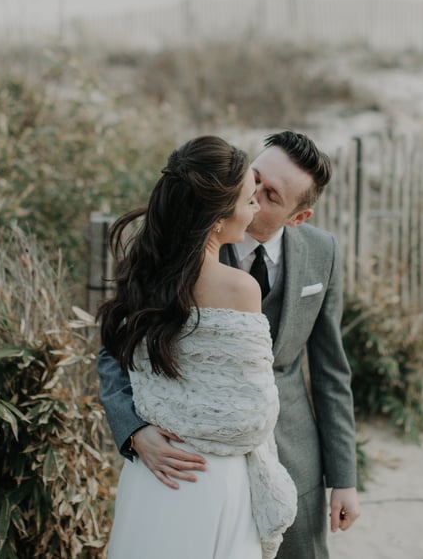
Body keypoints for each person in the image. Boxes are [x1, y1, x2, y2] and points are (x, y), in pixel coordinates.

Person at [99, 130, 361, 559]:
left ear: (298, 217)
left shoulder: (322, 252)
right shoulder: (179, 243)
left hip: (294, 456)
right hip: (191, 464)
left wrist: (344, 478)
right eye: (254, 178)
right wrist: (134, 430)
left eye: (271, 194)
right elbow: (115, 347)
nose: (252, 193)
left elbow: (332, 371)